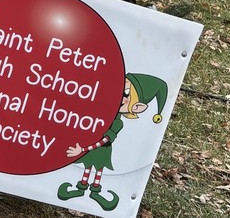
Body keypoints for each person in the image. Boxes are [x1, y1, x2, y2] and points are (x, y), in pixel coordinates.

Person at [57, 73, 168, 211]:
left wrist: (84, 149)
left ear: (137, 107)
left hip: (101, 149)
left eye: (126, 94)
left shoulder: (117, 123)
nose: (119, 95)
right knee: (88, 167)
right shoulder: (105, 112)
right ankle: (82, 187)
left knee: (98, 169)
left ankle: (95, 191)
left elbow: (104, 140)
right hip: (93, 145)